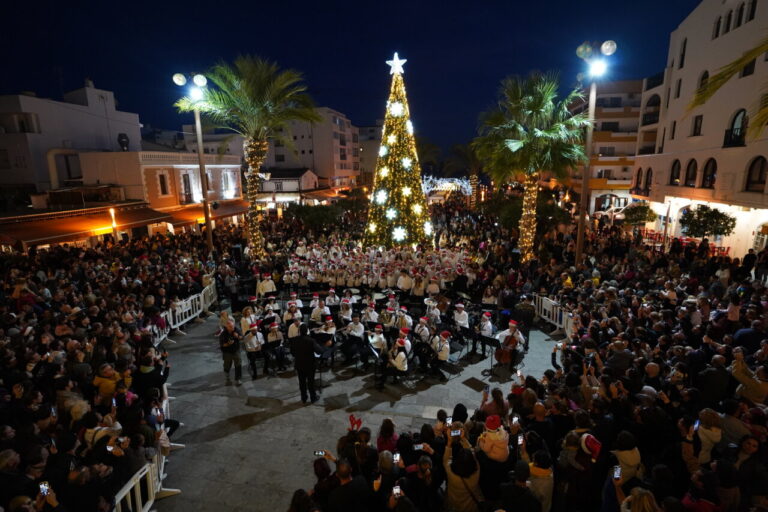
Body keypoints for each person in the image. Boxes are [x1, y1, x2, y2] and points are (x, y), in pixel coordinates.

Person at [290, 324, 330, 404]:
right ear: (307, 331)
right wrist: (326, 346)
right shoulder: (311, 340)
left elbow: (292, 353)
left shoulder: (294, 340)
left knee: (302, 382)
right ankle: (313, 398)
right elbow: (319, 351)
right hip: (310, 365)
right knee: (311, 382)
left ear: (299, 331)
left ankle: (304, 398)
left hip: (299, 364)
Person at [219, 319, 243, 386]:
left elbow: (242, 337)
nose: (232, 328)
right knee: (227, 366)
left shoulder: (236, 330)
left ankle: (238, 379)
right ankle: (227, 378)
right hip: (227, 352)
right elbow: (222, 344)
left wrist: (237, 336)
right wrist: (228, 344)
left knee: (238, 364)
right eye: (230, 327)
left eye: (232, 326)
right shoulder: (223, 334)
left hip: (236, 351)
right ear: (227, 326)